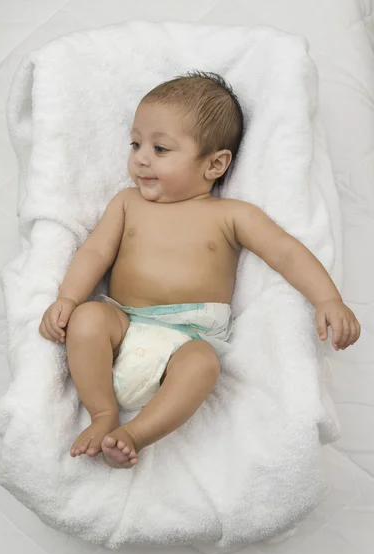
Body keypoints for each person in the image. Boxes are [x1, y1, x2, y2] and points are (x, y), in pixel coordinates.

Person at [38, 71, 361, 469]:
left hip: (188, 338)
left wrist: (327, 298)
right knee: (88, 318)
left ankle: (135, 433)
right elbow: (95, 252)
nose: (140, 158)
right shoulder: (126, 203)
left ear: (215, 164)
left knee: (203, 365)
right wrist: (68, 298)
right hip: (123, 322)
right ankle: (102, 412)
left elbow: (286, 253)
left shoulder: (231, 215)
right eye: (135, 143)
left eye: (160, 148)